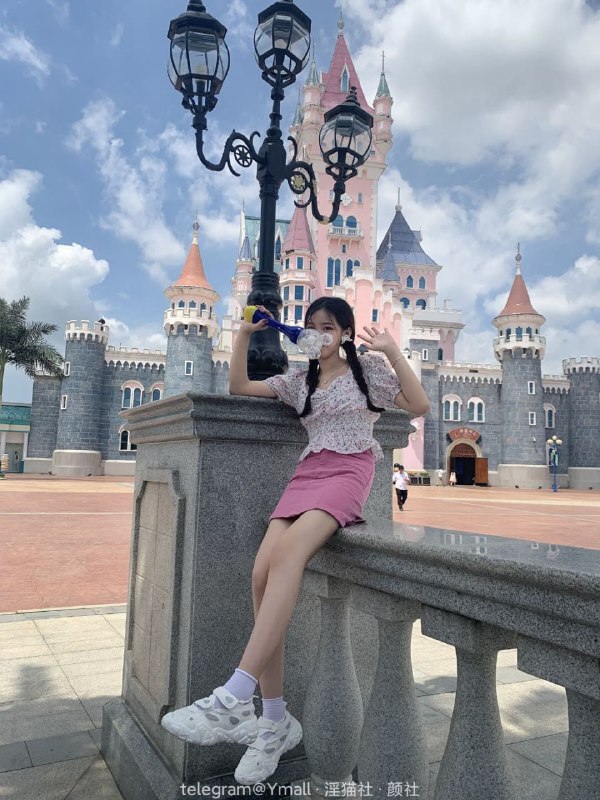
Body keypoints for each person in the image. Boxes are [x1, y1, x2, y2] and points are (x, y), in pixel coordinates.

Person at [160, 298, 431, 784]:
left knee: (289, 555)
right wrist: (244, 334)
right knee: (261, 575)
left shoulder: (367, 372)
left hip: (348, 472)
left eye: (329, 327)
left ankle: (234, 695)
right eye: (311, 326)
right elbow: (239, 386)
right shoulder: (299, 380)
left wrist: (392, 350)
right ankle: (274, 721)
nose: (319, 334)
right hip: (307, 473)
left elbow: (419, 404)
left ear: (344, 333)